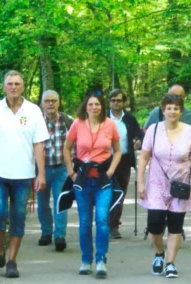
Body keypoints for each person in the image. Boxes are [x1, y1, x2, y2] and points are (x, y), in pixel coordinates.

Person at [0, 70, 49, 278]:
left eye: (17, 83)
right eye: (10, 83)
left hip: (23, 175)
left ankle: (12, 261)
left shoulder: (33, 111)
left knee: (18, 217)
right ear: (4, 87)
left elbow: (38, 145)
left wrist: (41, 174)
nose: (13, 87)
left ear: (23, 87)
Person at [137, 95, 191, 278]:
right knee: (155, 223)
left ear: (181, 111)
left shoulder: (189, 131)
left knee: (176, 224)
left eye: (176, 108)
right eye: (169, 108)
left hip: (181, 184)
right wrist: (140, 182)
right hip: (156, 184)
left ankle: (170, 263)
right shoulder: (153, 130)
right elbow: (144, 157)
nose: (172, 111)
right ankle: (159, 254)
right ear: (163, 110)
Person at [63, 94, 121, 278]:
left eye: (97, 104)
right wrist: (71, 172)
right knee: (85, 222)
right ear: (85, 106)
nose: (94, 107)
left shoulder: (110, 124)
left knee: (102, 220)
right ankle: (86, 260)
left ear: (102, 107)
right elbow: (67, 148)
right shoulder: (77, 124)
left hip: (103, 180)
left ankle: (101, 259)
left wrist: (111, 171)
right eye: (90, 104)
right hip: (83, 181)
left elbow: (118, 151)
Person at [37, 90, 74, 251]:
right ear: (42, 103)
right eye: (47, 101)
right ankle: (46, 233)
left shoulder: (68, 121)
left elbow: (77, 143)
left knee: (61, 201)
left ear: (59, 102)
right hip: (41, 169)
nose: (50, 104)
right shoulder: (36, 122)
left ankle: (60, 236)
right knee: (42, 203)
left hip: (62, 168)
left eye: (53, 100)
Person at [107, 89, 144, 239]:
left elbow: (139, 134)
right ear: (109, 102)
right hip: (105, 161)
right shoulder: (103, 118)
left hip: (124, 160)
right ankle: (106, 223)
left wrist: (138, 141)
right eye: (113, 100)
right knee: (106, 193)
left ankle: (114, 225)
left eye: (119, 100)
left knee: (120, 193)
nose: (116, 103)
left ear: (124, 102)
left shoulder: (129, 119)